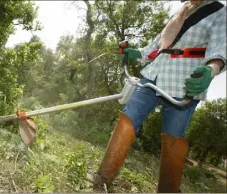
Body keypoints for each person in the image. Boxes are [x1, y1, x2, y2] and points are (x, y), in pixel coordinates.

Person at [93, 0, 226, 192]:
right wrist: (135, 53)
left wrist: (211, 69)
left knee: (173, 137)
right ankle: (102, 179)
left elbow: (220, 49)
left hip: (184, 81)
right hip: (153, 74)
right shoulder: (181, 12)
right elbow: (156, 46)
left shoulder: (220, 12)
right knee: (127, 119)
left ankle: (167, 190)